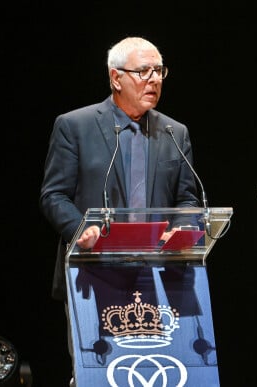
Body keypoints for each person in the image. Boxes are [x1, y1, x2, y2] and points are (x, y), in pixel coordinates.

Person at [39, 36, 200, 385]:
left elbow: (187, 198)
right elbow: (54, 195)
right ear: (116, 78)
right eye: (143, 71)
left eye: (159, 71)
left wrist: (181, 227)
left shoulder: (175, 132)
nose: (154, 79)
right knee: (99, 373)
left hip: (160, 273)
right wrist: (80, 229)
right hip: (94, 270)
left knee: (160, 372)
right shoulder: (75, 126)